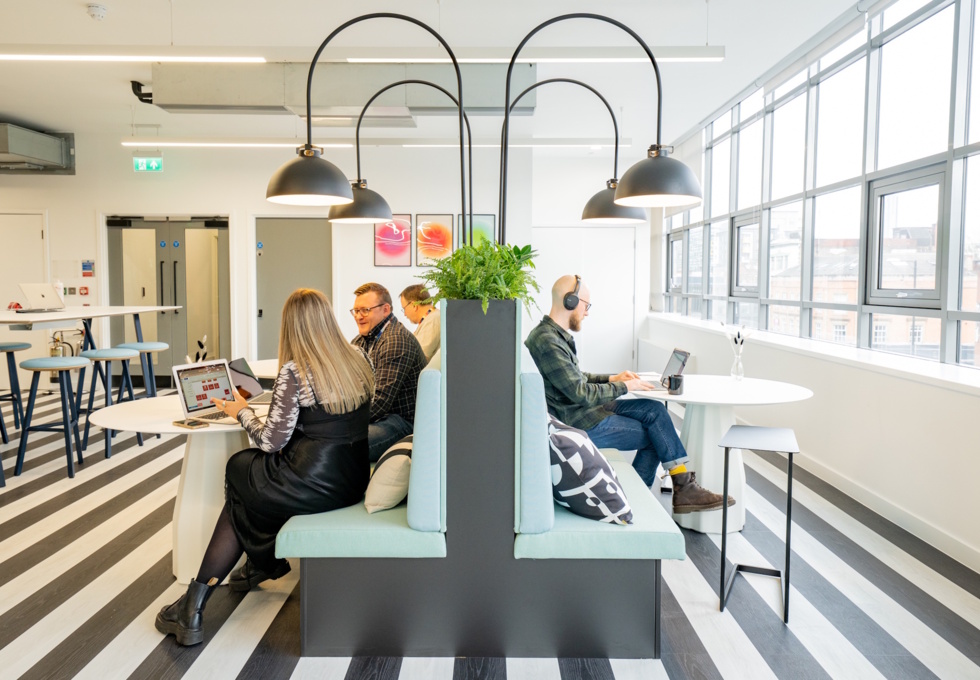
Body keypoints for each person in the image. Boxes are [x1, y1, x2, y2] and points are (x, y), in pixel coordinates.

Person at [155, 288, 374, 646]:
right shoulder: (358, 358)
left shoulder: (295, 372)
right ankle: (253, 567)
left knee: (240, 469)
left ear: (291, 326)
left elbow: (270, 442)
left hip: (311, 483)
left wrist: (240, 411)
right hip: (351, 480)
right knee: (248, 486)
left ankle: (194, 605)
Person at [524, 274, 733, 514]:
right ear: (570, 301)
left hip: (584, 410)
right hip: (580, 420)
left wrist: (614, 378)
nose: (587, 313)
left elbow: (577, 377)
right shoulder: (548, 342)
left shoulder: (552, 335)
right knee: (657, 437)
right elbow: (580, 393)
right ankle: (644, 498)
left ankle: (683, 486)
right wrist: (626, 387)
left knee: (654, 411)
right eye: (586, 305)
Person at [350, 282, 427, 461]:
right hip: (380, 417)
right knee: (331, 437)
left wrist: (338, 422)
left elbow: (379, 403)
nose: (358, 316)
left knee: (344, 443)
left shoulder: (396, 340)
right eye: (356, 311)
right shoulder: (361, 340)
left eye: (365, 310)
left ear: (385, 309)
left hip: (402, 422)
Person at [400, 283, 441, 361]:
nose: (405, 314)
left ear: (414, 305)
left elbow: (419, 357)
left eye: (404, 308)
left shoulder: (432, 320)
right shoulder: (431, 317)